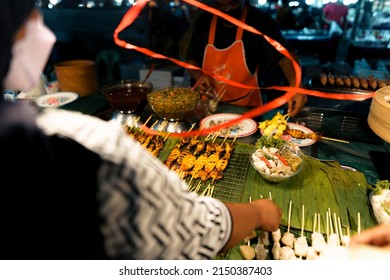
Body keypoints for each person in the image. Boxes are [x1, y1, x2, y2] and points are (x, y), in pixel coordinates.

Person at [0, 0, 282, 260]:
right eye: (31, 15)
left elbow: (283, 57)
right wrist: (257, 212)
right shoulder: (82, 141)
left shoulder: (260, 21)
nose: (40, 23)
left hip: (245, 108)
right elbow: (192, 228)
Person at [185, 0, 307, 117]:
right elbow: (191, 59)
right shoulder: (204, 22)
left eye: (232, 3)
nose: (227, 9)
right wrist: (198, 76)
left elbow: (285, 57)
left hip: (247, 110)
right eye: (220, 5)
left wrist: (296, 85)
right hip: (208, 107)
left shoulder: (260, 22)